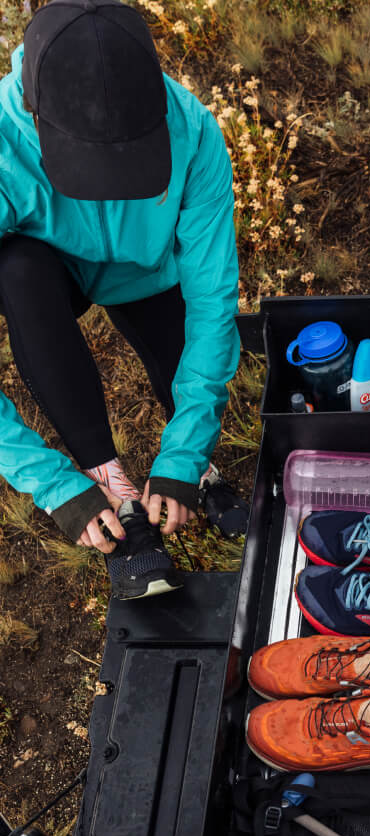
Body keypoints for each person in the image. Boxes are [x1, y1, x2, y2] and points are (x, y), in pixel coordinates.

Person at [0, 0, 247, 599]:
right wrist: (55, 485)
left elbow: (213, 301)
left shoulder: (192, 132)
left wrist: (183, 456)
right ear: (36, 118)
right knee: (17, 273)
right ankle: (109, 485)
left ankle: (194, 470)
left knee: (179, 353)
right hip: (46, 265)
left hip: (148, 269)